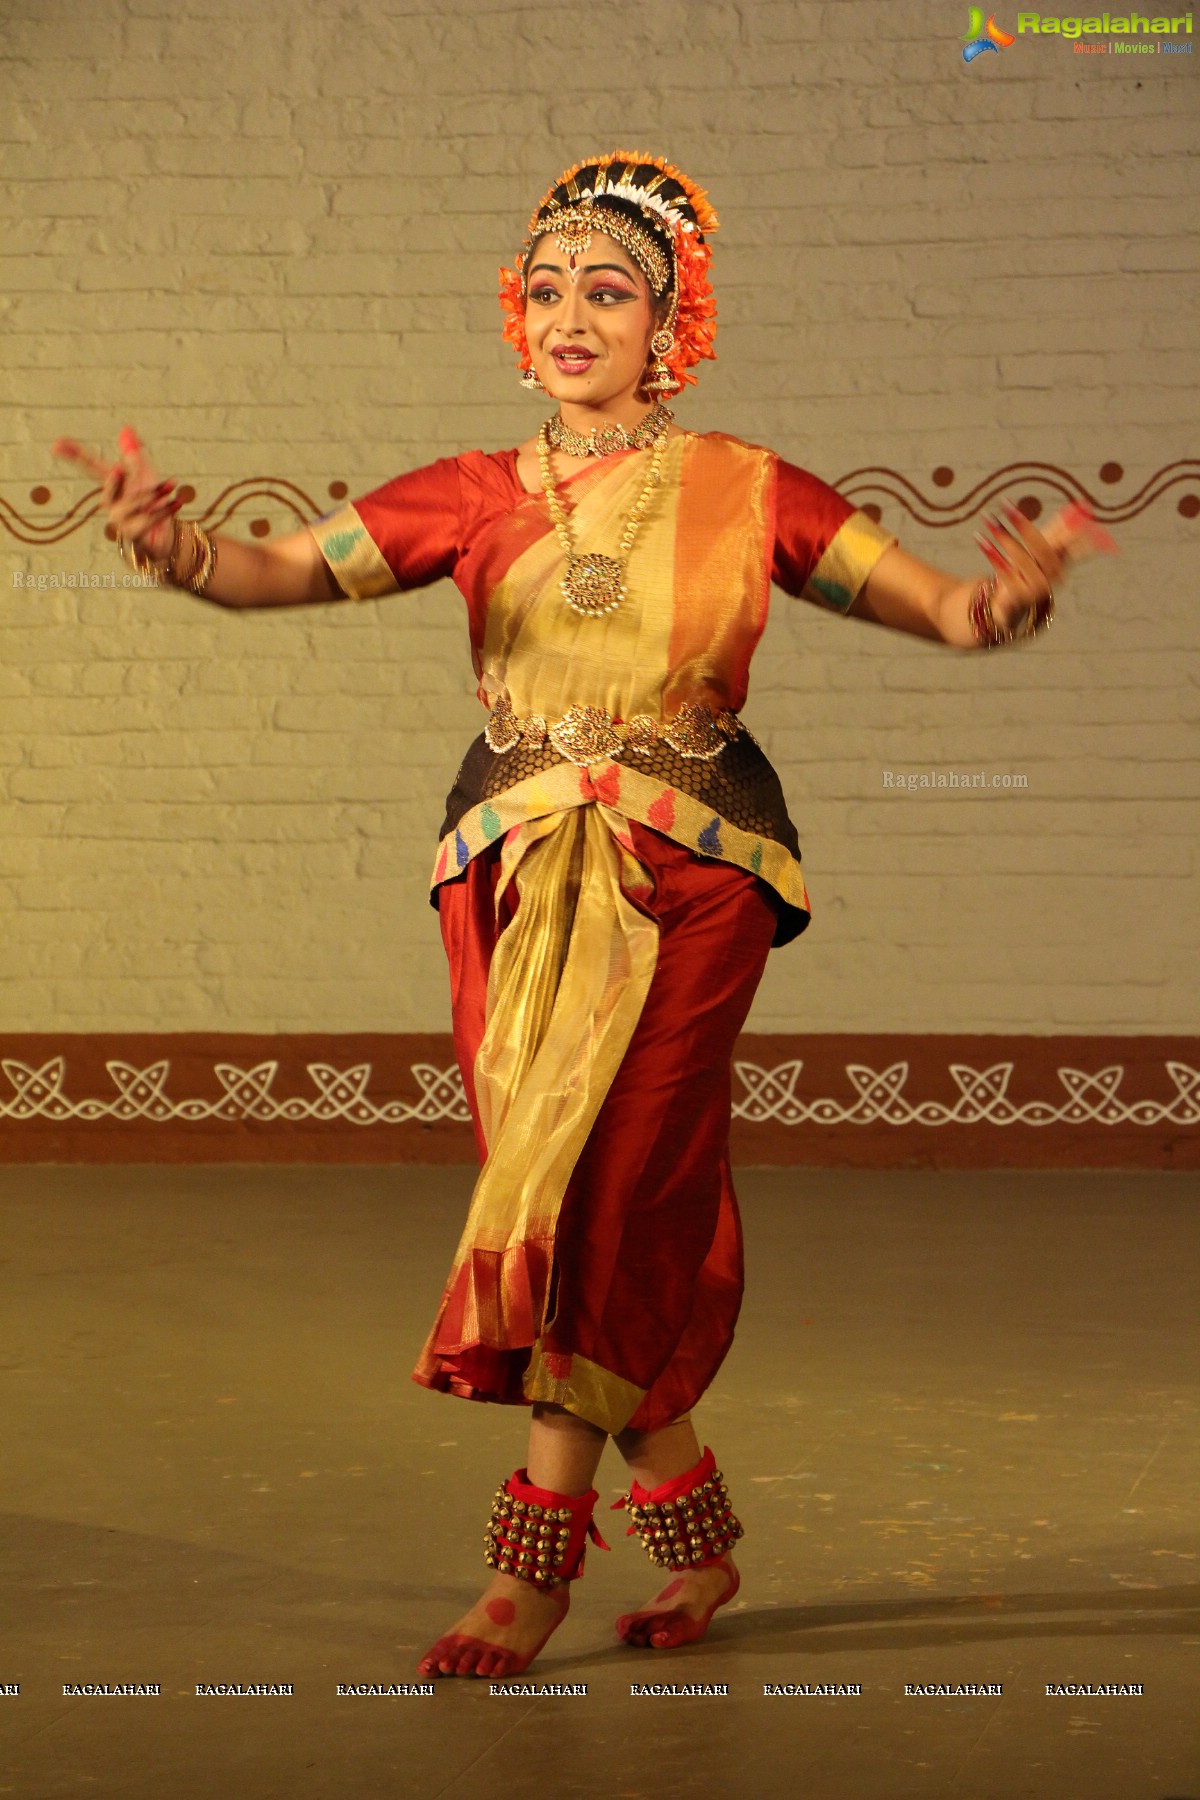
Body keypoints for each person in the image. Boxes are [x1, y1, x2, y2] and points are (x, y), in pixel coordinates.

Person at [54, 151, 1114, 1683]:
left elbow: (950, 610)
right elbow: (272, 570)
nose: (569, 314)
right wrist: (169, 548)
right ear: (517, 316)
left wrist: (1010, 598)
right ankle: (694, 1532)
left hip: (696, 875)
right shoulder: (471, 495)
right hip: (512, 873)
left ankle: (525, 1568)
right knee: (561, 1196)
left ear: (667, 327)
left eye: (606, 292)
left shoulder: (753, 489)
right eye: (545, 289)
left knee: (613, 1184)